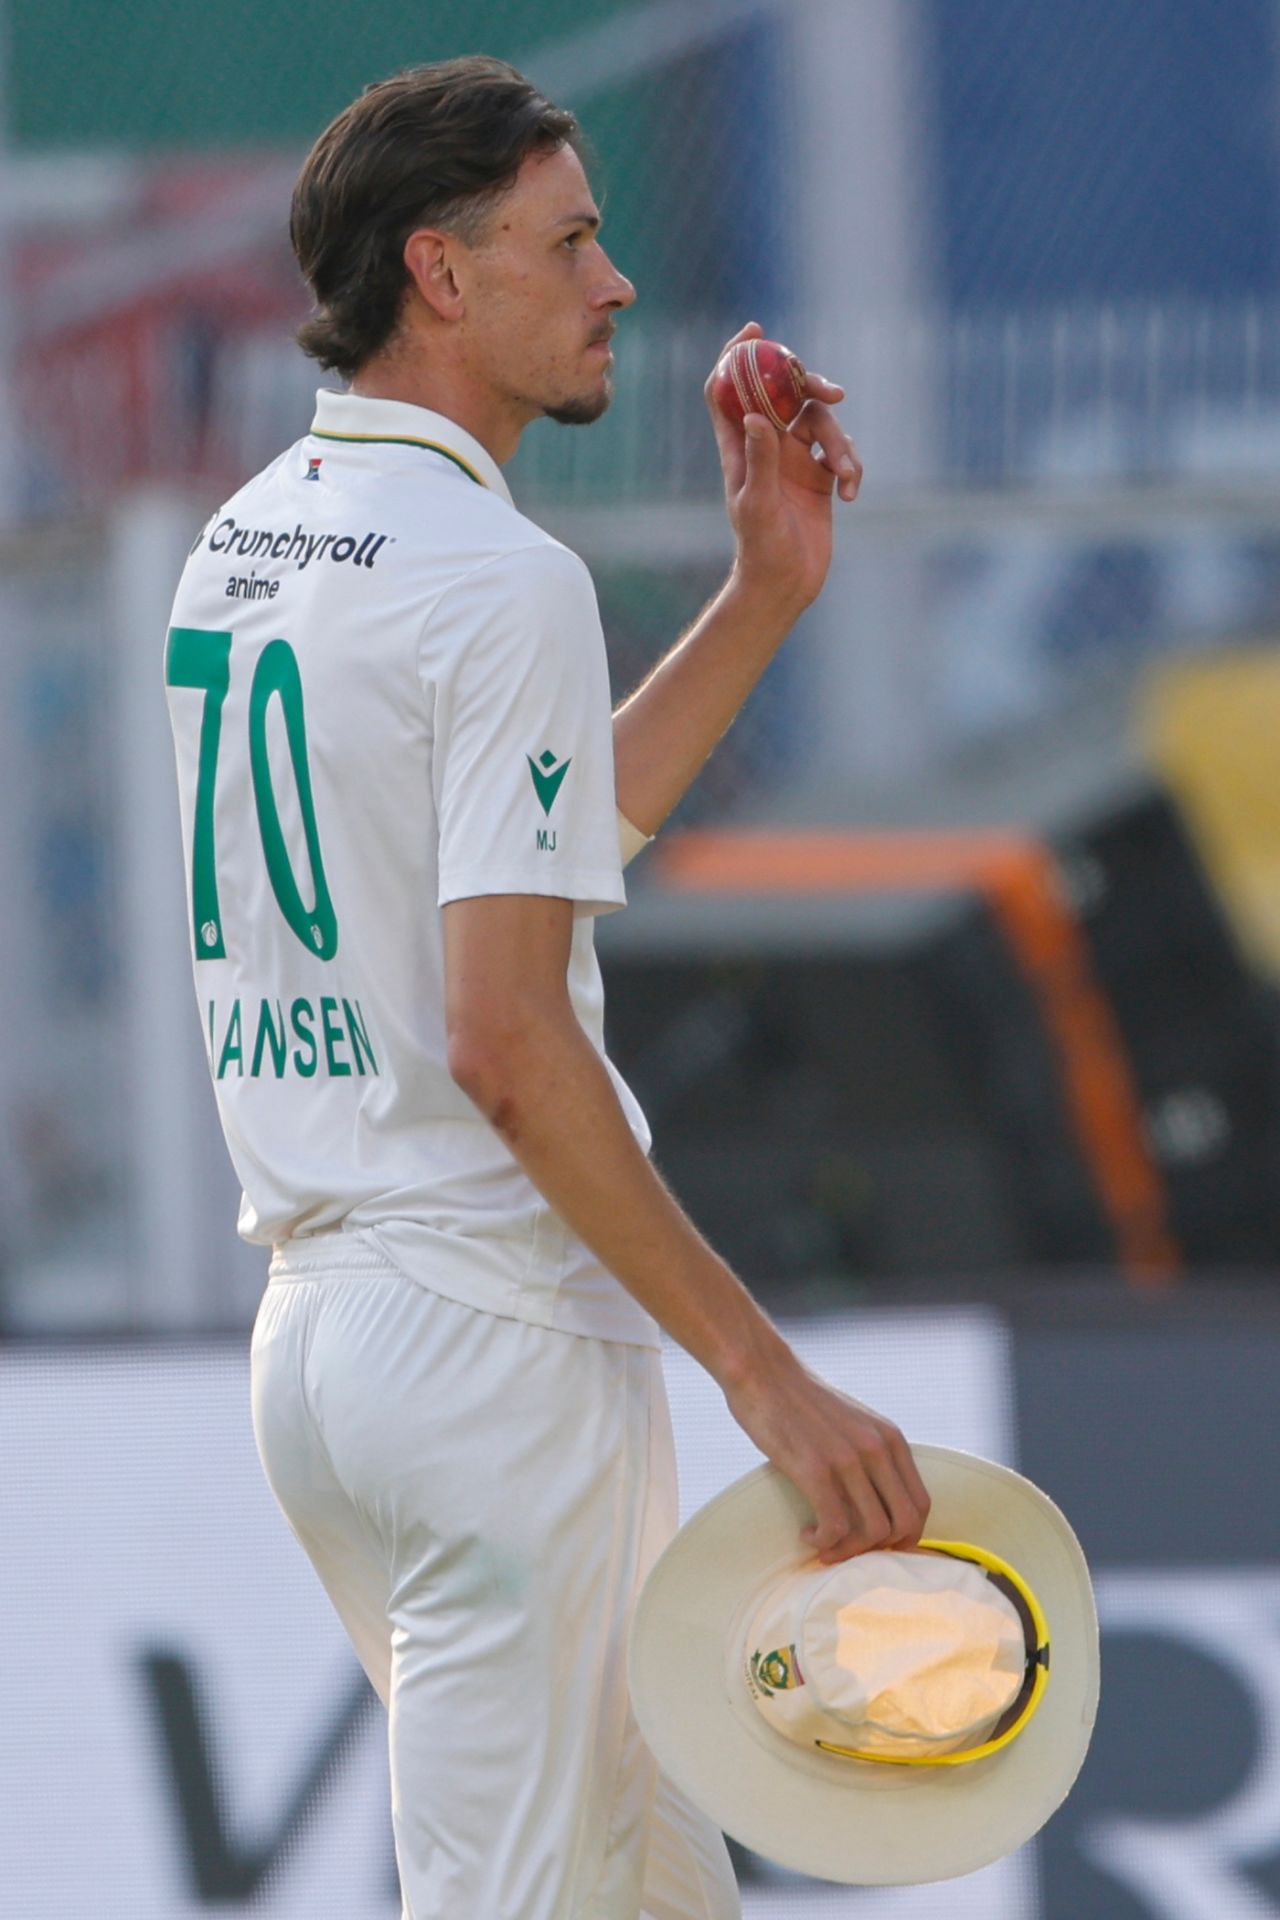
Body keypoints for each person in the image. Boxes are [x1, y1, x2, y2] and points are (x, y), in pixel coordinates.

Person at [163, 54, 930, 1920]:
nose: (617, 281)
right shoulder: (496, 574)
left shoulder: (244, 542)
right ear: (439, 271)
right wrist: (767, 1380)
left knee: (658, 1897)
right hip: (489, 1345)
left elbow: (536, 845)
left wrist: (761, 594)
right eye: (569, 242)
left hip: (327, 1345)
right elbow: (504, 1038)